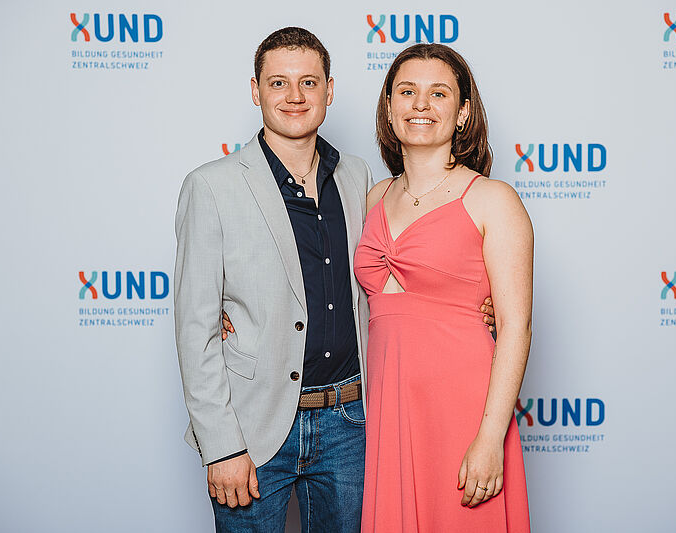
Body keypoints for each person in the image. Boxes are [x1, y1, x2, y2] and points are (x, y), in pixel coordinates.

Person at [175, 27, 496, 532]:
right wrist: (221, 447)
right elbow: (195, 330)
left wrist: (482, 306)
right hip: (253, 428)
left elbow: (402, 274)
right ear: (256, 91)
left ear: (329, 90)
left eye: (308, 82)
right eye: (278, 83)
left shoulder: (359, 179)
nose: (295, 96)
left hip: (352, 423)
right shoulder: (211, 186)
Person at [353, 43, 533, 532]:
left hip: (464, 409)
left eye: (438, 93)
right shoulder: (372, 198)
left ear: (463, 112)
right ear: (389, 106)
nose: (421, 104)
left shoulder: (493, 200)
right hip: (389, 409)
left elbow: (515, 327)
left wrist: (490, 438)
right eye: (406, 92)